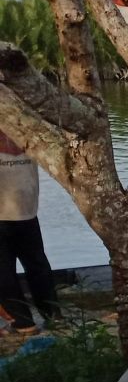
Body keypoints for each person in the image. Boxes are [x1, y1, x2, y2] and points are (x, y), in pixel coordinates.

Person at [0, 129, 60, 335]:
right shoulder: (26, 130)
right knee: (37, 264)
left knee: (3, 270)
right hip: (26, 209)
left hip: (6, 213)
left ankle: (23, 322)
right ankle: (53, 315)